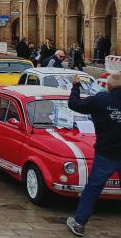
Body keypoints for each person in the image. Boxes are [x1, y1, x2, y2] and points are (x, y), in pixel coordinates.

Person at [66, 72, 121, 237]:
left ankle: (79, 223)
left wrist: (76, 86)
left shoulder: (101, 99)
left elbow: (74, 104)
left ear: (109, 86)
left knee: (93, 188)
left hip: (106, 152)